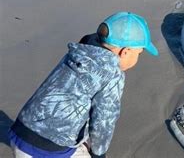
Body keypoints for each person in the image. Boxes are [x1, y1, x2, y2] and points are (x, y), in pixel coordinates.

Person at [8, 12, 159, 158]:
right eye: (139, 53)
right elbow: (104, 119)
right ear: (125, 52)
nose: (138, 57)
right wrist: (99, 153)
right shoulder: (113, 74)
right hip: (51, 149)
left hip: (20, 131)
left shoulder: (78, 53)